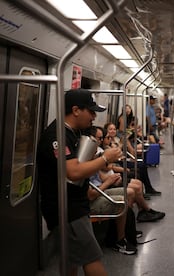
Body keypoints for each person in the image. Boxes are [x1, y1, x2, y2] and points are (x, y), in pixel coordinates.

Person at [37, 89, 123, 276]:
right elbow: (73, 171)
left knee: (72, 259)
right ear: (76, 110)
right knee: (91, 258)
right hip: (66, 209)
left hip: (75, 204)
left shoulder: (72, 133)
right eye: (90, 111)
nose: (93, 117)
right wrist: (105, 159)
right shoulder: (57, 136)